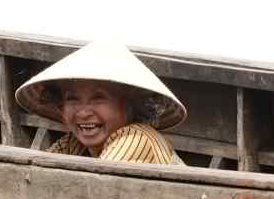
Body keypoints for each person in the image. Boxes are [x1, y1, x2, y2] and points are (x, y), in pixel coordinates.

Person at [14, 41, 188, 166]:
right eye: (72, 99)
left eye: (98, 99)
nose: (83, 113)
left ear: (130, 104)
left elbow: (94, 188)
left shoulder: (136, 138)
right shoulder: (73, 144)